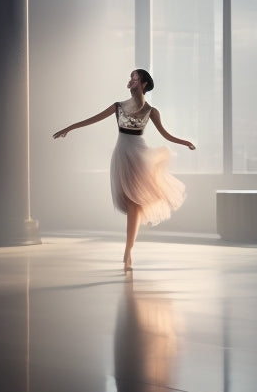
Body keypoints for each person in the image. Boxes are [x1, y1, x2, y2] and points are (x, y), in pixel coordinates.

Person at [52, 69, 195, 272]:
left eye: (134, 78)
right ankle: (128, 251)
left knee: (135, 204)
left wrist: (184, 142)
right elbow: (93, 119)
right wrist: (70, 128)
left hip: (139, 155)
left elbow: (166, 134)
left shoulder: (151, 111)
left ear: (143, 83)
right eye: (130, 78)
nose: (130, 81)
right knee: (130, 203)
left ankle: (128, 251)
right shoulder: (118, 106)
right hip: (122, 155)